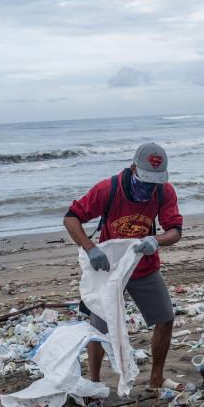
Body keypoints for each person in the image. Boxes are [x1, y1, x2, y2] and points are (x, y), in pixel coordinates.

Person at [63, 143, 183, 389]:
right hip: (109, 269)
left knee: (165, 318)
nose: (149, 188)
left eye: (154, 183)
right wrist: (90, 248)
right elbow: (71, 218)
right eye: (145, 181)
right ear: (133, 169)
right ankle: (94, 381)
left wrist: (156, 240)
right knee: (98, 327)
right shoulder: (108, 189)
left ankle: (156, 378)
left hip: (144, 266)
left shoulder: (164, 192)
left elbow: (175, 231)